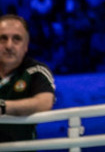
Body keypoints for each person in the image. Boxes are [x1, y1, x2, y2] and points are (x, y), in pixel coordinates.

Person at [0, 14, 56, 142]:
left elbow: (45, 102)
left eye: (16, 39)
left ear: (26, 46)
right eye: (3, 38)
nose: (9, 46)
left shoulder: (37, 71)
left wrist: (3, 107)